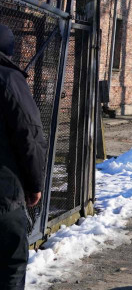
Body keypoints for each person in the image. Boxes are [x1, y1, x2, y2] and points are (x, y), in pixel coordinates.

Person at [0, 24, 47, 290]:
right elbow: (29, 136)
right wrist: (34, 184)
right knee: (10, 267)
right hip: (4, 195)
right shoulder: (8, 79)